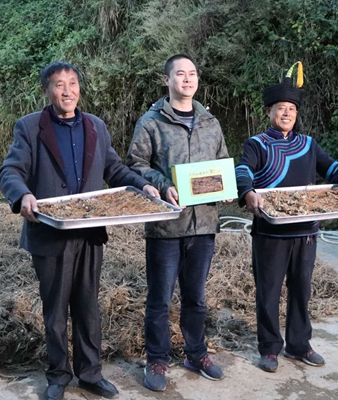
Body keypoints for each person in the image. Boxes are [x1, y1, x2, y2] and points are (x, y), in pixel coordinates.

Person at [0, 61, 160, 400]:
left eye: (72, 83)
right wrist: (23, 195)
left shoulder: (95, 126)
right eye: (59, 84)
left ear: (79, 88)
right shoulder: (30, 127)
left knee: (88, 306)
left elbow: (114, 169)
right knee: (56, 310)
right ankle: (58, 375)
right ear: (47, 90)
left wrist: (142, 186)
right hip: (50, 232)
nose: (67, 90)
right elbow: (10, 171)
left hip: (89, 232)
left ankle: (90, 373)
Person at [235, 61, 338, 373]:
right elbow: (243, 170)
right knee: (268, 291)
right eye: (281, 108)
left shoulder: (308, 145)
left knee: (301, 290)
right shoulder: (257, 144)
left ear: (297, 114)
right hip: (270, 233)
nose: (286, 114)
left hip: (305, 232)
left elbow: (333, 168)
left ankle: (299, 344)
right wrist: (248, 192)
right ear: (269, 112)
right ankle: (270, 348)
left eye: (292, 109)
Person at [126, 54, 228, 391]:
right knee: (160, 299)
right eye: (180, 74)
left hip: (204, 224)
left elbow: (222, 162)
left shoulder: (210, 122)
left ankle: (196, 353)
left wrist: (226, 186)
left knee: (196, 298)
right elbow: (136, 164)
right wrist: (163, 183)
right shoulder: (151, 122)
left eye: (192, 73)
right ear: (167, 80)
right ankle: (157, 358)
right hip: (166, 225)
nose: (187, 79)